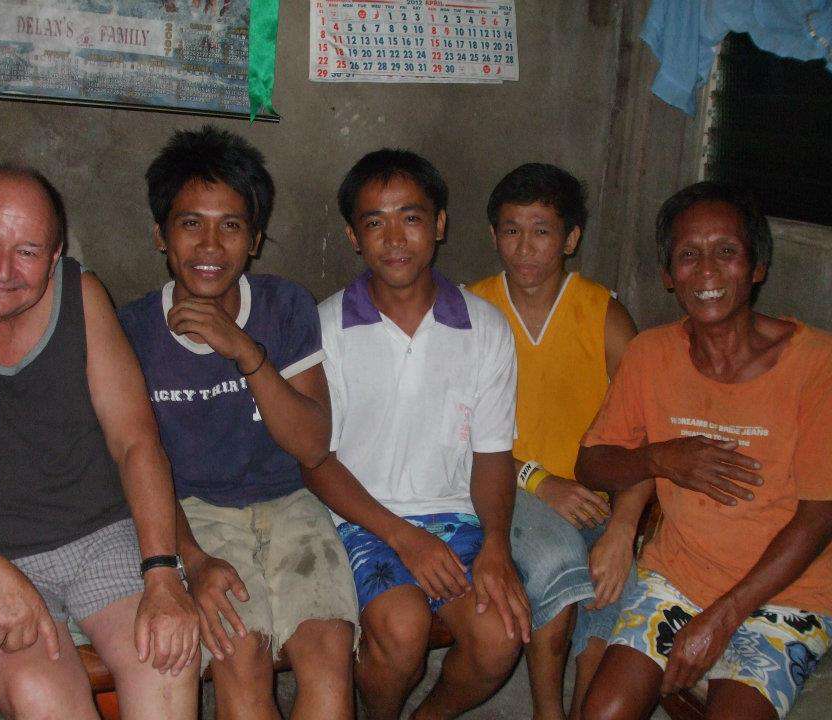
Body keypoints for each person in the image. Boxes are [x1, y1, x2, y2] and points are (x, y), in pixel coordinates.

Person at [0, 164, 199, 719]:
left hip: (98, 536)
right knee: (40, 691)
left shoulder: (81, 296)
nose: (2, 270)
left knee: (166, 658)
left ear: (54, 255)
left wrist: (163, 572)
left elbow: (136, 442)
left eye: (27, 251)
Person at [117, 126, 358, 720]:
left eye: (230, 225)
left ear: (254, 240)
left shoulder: (284, 306)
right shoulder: (131, 332)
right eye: (190, 223)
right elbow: (136, 466)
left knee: (329, 663)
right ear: (160, 234)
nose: (210, 245)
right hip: (193, 515)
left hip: (293, 505)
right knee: (241, 660)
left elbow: (311, 445)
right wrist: (192, 560)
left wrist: (246, 351)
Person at [576, 181, 832, 720]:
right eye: (689, 255)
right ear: (668, 276)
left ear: (757, 266)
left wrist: (722, 617)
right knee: (603, 711)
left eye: (727, 251)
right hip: (678, 577)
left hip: (786, 593)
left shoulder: (816, 365)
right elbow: (592, 462)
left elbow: (819, 516)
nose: (708, 271)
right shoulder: (651, 354)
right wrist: (660, 458)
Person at [303, 149, 530, 720]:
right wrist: (404, 537)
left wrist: (496, 545)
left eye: (410, 217)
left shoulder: (484, 327)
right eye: (374, 222)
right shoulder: (326, 328)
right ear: (353, 237)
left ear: (439, 225)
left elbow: (493, 454)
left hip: (456, 516)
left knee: (500, 635)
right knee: (402, 628)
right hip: (359, 517)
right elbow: (316, 461)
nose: (394, 238)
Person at [467, 163, 645, 720]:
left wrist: (623, 528)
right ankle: (548, 710)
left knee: (619, 589)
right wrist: (539, 480)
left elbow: (647, 429)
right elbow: (450, 431)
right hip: (501, 484)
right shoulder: (471, 309)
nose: (524, 248)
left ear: (570, 238)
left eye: (542, 231)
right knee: (559, 559)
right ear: (493, 235)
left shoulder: (603, 313)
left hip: (590, 494)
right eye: (511, 230)